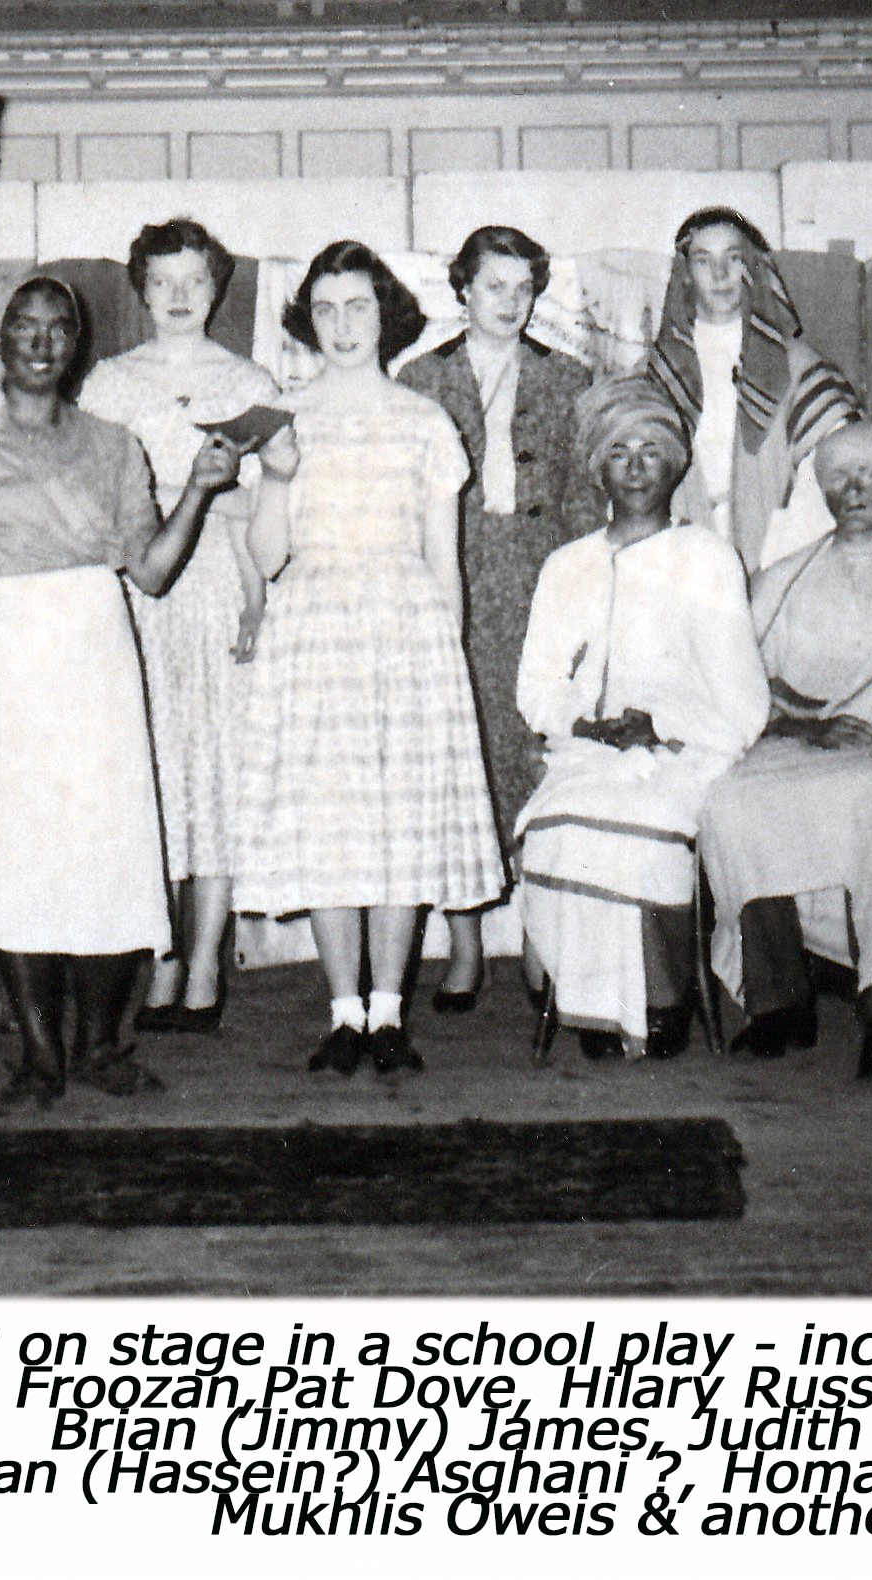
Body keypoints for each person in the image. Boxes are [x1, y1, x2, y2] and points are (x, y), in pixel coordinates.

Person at [0, 275, 241, 1107]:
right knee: (14, 857)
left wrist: (200, 488)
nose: (42, 341)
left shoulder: (113, 446)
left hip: (95, 662)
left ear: (77, 345)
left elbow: (151, 572)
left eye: (59, 328)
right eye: (25, 326)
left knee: (107, 851)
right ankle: (39, 1055)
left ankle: (99, 1047)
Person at [230, 241, 504, 1077]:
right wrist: (277, 477)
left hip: (404, 632)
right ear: (305, 320)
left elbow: (445, 560)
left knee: (397, 824)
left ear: (386, 315)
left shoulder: (424, 421)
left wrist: (447, 667)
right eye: (325, 309)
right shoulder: (280, 415)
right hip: (315, 633)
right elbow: (267, 557)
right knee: (330, 821)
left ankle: (389, 1013)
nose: (342, 326)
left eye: (358, 307)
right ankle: (343, 1013)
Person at [514, 377, 770, 1060]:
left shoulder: (706, 558)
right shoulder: (566, 566)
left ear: (675, 465)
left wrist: (660, 728)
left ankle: (660, 999)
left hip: (683, 751)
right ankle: (589, 1003)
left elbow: (742, 699)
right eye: (618, 452)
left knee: (642, 828)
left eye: (650, 451)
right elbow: (537, 685)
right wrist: (582, 724)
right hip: (586, 752)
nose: (634, 468)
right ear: (597, 467)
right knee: (559, 823)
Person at [77, 218, 290, 1034]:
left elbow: (256, 509)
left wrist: (255, 601)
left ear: (216, 288)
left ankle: (204, 964)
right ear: (141, 289)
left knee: (216, 768)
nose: (177, 296)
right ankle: (160, 959)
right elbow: (96, 504)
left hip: (214, 589)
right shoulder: (109, 384)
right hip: (138, 592)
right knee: (154, 773)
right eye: (161, 282)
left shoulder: (246, 381)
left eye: (193, 281)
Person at [699, 422, 872, 1079]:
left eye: (868, 476)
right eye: (840, 478)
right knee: (728, 798)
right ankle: (779, 1000)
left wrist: (849, 730)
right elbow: (742, 675)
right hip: (794, 742)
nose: (854, 490)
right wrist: (801, 728)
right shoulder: (787, 577)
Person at [397, 225, 600, 1013]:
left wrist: (585, 596)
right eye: (494, 287)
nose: (510, 303)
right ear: (462, 290)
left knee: (539, 757)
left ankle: (543, 942)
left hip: (542, 583)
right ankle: (467, 945)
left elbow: (585, 501)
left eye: (523, 289)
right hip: (456, 580)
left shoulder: (570, 378)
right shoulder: (420, 378)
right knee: (462, 760)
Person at [642, 206, 860, 574]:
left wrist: (780, 558)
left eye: (734, 257)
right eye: (703, 260)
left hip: (780, 554)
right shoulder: (656, 371)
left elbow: (832, 466)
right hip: (680, 558)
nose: (720, 274)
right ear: (685, 274)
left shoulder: (799, 366)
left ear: (754, 267)